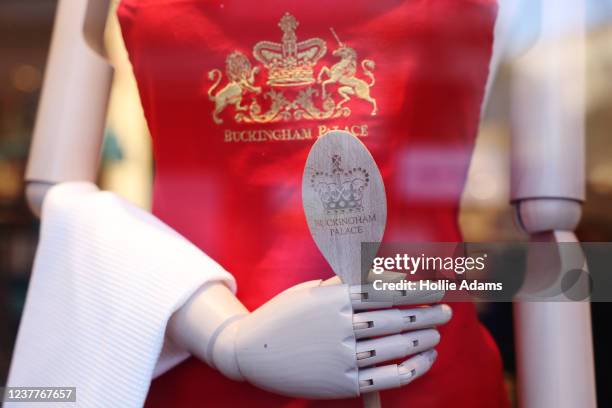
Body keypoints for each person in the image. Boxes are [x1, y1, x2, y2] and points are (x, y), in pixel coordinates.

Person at [116, 0, 508, 406]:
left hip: (416, 361)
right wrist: (226, 339)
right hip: (203, 358)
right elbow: (65, 198)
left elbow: (549, 222)